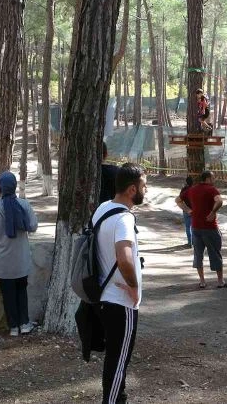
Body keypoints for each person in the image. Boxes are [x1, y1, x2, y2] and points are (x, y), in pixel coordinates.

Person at [93, 163, 146, 404]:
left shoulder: (103, 208)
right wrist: (134, 287)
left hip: (105, 296)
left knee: (116, 359)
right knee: (118, 361)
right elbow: (124, 258)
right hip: (121, 301)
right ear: (132, 189)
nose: (146, 190)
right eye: (144, 185)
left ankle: (116, 399)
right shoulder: (124, 218)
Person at [0, 171, 39, 336]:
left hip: (2, 257)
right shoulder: (24, 204)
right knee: (21, 290)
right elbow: (33, 226)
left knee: (7, 293)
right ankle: (24, 324)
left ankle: (13, 327)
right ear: (14, 186)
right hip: (20, 256)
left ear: (1, 187)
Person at [180, 171, 226, 289]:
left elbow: (178, 200)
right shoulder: (212, 190)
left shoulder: (192, 189)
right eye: (213, 178)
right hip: (210, 227)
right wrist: (213, 212)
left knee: (198, 254)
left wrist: (188, 210)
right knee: (215, 253)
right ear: (208, 178)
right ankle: (220, 281)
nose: (214, 180)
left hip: (195, 227)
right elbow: (219, 201)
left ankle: (202, 281)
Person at [175, 176, 194, 247]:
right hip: (195, 210)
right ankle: (194, 242)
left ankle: (189, 242)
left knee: (188, 227)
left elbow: (179, 199)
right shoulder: (195, 189)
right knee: (193, 227)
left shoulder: (184, 189)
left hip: (186, 210)